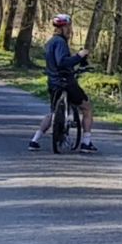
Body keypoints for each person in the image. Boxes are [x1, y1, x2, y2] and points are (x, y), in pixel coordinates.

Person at [28, 14, 98, 153]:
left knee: (53, 113)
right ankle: (86, 142)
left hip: (53, 82)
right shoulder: (60, 42)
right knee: (87, 107)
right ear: (62, 28)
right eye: (67, 27)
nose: (69, 30)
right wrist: (79, 56)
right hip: (65, 82)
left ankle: (35, 140)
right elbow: (62, 62)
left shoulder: (50, 42)